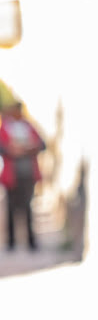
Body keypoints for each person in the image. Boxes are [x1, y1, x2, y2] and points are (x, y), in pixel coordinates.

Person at [0, 101, 46, 251]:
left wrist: (30, 148)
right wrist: (11, 150)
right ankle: (11, 243)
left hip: (28, 174)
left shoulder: (28, 127)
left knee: (28, 207)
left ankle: (31, 242)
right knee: (11, 208)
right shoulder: (5, 128)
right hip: (12, 175)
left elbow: (42, 144)